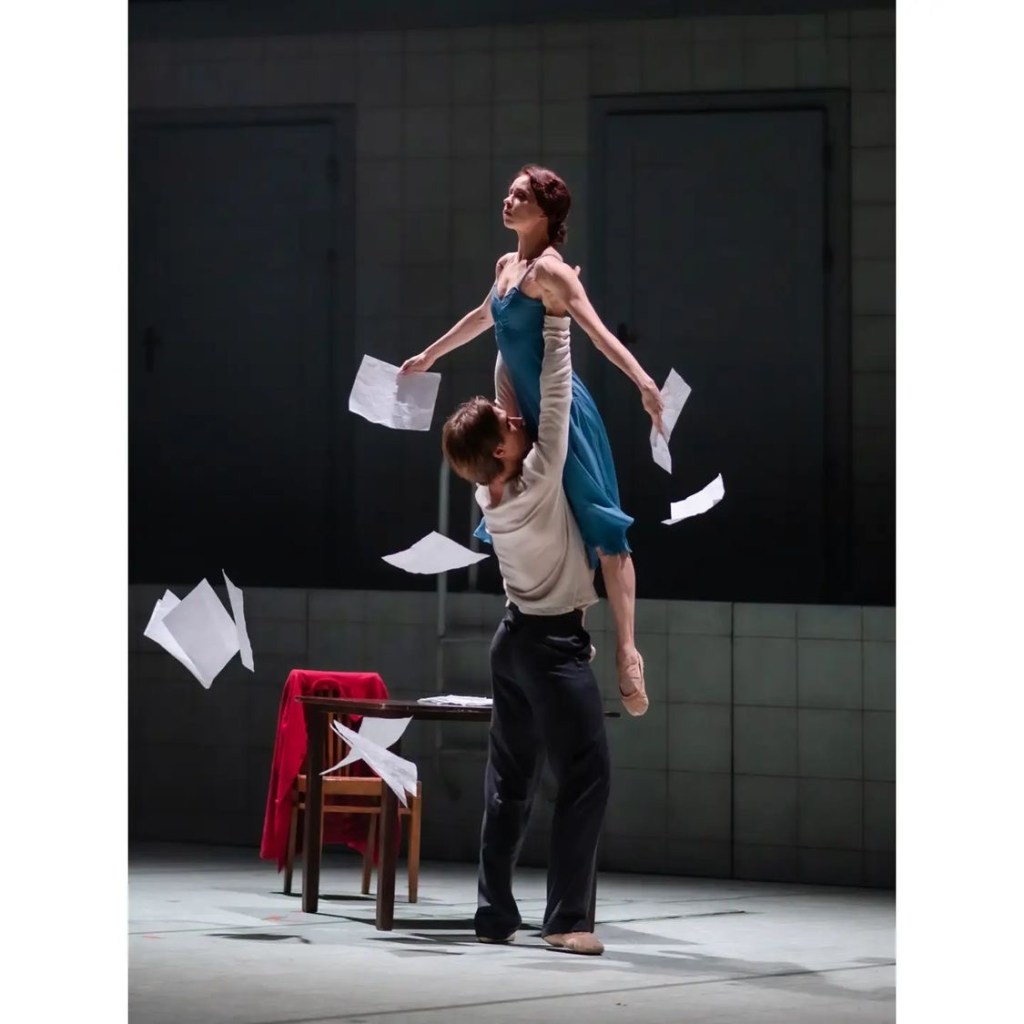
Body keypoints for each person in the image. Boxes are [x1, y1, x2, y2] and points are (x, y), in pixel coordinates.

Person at [400, 164, 661, 716]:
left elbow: (598, 334)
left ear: (544, 211)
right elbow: (483, 317)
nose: (508, 199)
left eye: (519, 195)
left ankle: (628, 652)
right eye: (510, 192)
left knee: (601, 525)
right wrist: (429, 355)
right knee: (542, 522)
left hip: (560, 408)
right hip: (518, 406)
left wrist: (643, 383)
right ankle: (571, 627)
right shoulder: (506, 266)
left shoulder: (551, 273)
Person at [441, 313, 609, 955]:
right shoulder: (537, 481)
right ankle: (566, 921)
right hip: (550, 647)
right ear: (500, 454)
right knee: (586, 775)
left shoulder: (490, 496)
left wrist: (508, 334)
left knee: (509, 784)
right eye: (506, 425)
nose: (516, 418)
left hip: (512, 644)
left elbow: (511, 399)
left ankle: (493, 914)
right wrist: (557, 324)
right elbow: (557, 398)